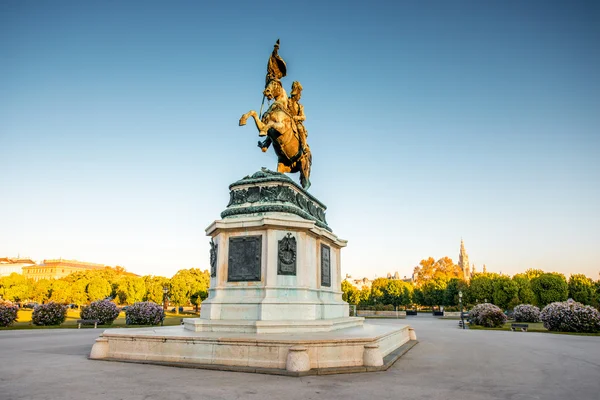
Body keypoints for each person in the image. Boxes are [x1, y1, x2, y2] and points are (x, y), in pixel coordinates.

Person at [288, 81, 308, 151]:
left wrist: (296, 117)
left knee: (300, 128)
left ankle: (304, 146)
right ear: (296, 94)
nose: (300, 96)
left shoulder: (300, 106)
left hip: (296, 123)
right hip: (287, 121)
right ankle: (266, 143)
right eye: (299, 94)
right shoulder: (287, 101)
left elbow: (304, 117)